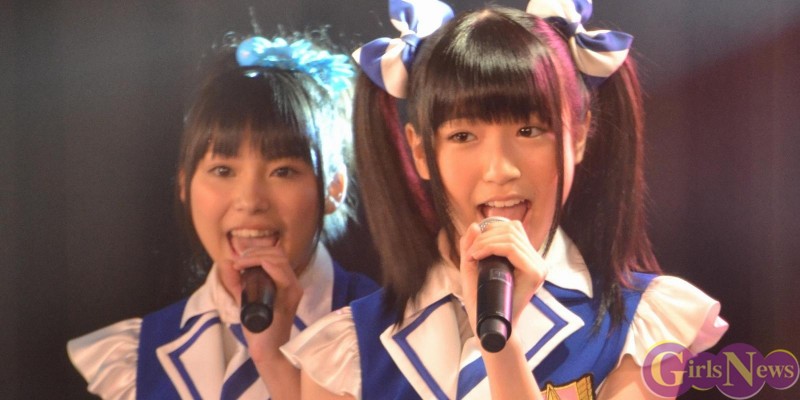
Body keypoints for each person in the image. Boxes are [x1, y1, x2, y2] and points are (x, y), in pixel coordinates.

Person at [281, 1, 728, 399]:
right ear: (420, 150)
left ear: (578, 136)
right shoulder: (347, 354)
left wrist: (501, 347)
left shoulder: (641, 327)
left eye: (529, 131)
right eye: (463, 136)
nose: (499, 169)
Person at [67, 33, 379, 399]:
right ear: (183, 185)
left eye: (282, 171)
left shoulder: (387, 332)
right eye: (222, 171)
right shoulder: (136, 359)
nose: (249, 201)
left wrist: (273, 363)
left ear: (334, 188)